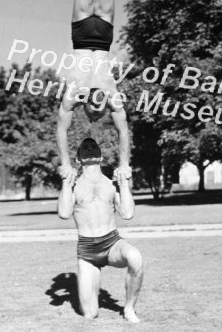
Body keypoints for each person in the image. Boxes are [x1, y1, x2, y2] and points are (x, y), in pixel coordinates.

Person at [56, 0, 130, 185]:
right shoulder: (112, 95)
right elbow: (123, 130)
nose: (98, 107)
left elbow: (61, 129)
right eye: (102, 110)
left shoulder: (73, 96)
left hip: (82, 31)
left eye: (94, 110)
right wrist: (124, 164)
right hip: (103, 36)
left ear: (87, 108)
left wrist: (65, 162)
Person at [57, 138, 143, 323]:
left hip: (112, 243)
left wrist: (124, 183)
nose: (89, 149)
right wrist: (65, 182)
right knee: (90, 313)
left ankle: (129, 309)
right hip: (87, 250)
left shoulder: (112, 183)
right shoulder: (73, 184)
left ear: (101, 156)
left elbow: (127, 213)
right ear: (78, 159)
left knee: (135, 258)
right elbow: (64, 213)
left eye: (93, 147)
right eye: (85, 148)